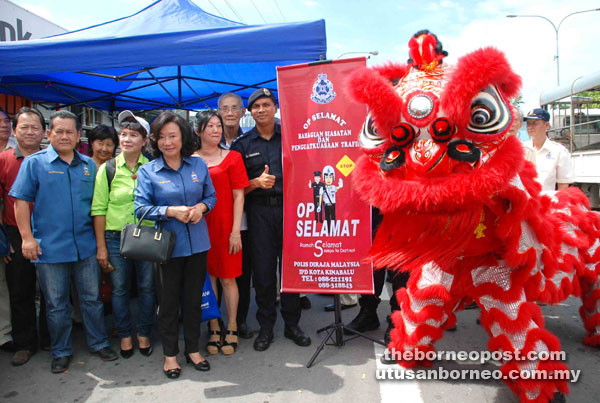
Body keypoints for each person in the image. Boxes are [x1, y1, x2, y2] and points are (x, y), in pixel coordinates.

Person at [9, 110, 117, 374]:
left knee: (91, 299)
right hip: (49, 248)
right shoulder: (34, 164)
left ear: (79, 135)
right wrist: (26, 238)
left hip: (86, 246)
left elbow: (97, 206)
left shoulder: (89, 166)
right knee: (57, 305)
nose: (65, 136)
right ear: (49, 134)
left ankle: (99, 342)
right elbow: (20, 201)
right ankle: (61, 350)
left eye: (70, 131)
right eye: (59, 131)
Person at [135, 111, 216, 379]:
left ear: (183, 138)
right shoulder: (148, 171)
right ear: (155, 141)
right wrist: (170, 211)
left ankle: (192, 349)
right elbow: (140, 209)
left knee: (194, 301)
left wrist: (201, 207)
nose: (168, 142)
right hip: (167, 248)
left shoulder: (198, 166)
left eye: (173, 136)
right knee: (168, 303)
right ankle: (170, 354)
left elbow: (211, 196)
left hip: (198, 244)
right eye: (162, 137)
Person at [231, 88, 311, 351]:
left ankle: (292, 325)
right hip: (259, 214)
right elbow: (234, 188)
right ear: (250, 112)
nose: (262, 110)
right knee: (264, 273)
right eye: (256, 106)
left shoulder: (292, 138)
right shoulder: (242, 145)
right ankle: (266, 328)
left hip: (291, 210)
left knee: (290, 270)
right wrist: (255, 182)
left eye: (266, 105)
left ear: (275, 108)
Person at [91, 111, 155, 360]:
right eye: (124, 134)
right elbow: (99, 209)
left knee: (148, 288)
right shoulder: (107, 169)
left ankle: (144, 333)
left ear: (144, 140)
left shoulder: (152, 168)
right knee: (119, 289)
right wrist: (101, 247)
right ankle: (125, 334)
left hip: (147, 235)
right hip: (115, 237)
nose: (127, 139)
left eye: (134, 135)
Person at [194, 110, 248, 355]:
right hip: (198, 229)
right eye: (209, 126)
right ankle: (214, 325)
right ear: (198, 131)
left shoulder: (233, 157)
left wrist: (235, 231)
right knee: (209, 278)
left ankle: (233, 326)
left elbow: (239, 195)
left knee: (228, 278)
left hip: (226, 227)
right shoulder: (190, 159)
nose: (215, 130)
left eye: (217, 126)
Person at [0, 107, 49, 365]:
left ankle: (51, 339)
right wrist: (3, 240)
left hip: (50, 232)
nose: (30, 132)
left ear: (43, 131)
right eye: (24, 127)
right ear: (14, 130)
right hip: (16, 234)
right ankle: (25, 342)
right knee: (21, 289)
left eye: (35, 127)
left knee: (53, 289)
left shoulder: (52, 159)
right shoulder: (4, 160)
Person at [522, 108, 575, 192]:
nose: (530, 127)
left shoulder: (559, 151)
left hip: (545, 202)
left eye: (535, 123)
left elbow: (563, 185)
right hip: (523, 202)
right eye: (528, 124)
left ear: (547, 125)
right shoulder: (521, 149)